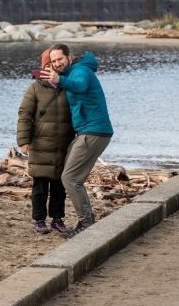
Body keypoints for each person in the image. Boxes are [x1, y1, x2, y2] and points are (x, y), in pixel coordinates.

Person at [41, 43, 113, 237]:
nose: (57, 64)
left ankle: (87, 222)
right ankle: (87, 219)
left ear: (69, 57)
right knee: (72, 177)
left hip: (94, 131)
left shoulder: (80, 71)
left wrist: (60, 79)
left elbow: (80, 86)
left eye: (60, 59)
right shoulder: (72, 72)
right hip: (87, 131)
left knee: (70, 178)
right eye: (54, 61)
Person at [17, 50, 75, 236]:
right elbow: (24, 115)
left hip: (64, 144)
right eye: (48, 65)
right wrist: (24, 141)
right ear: (43, 67)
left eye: (55, 65)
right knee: (40, 186)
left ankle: (57, 220)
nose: (52, 68)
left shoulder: (68, 86)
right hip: (40, 144)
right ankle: (39, 220)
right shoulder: (34, 88)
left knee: (59, 185)